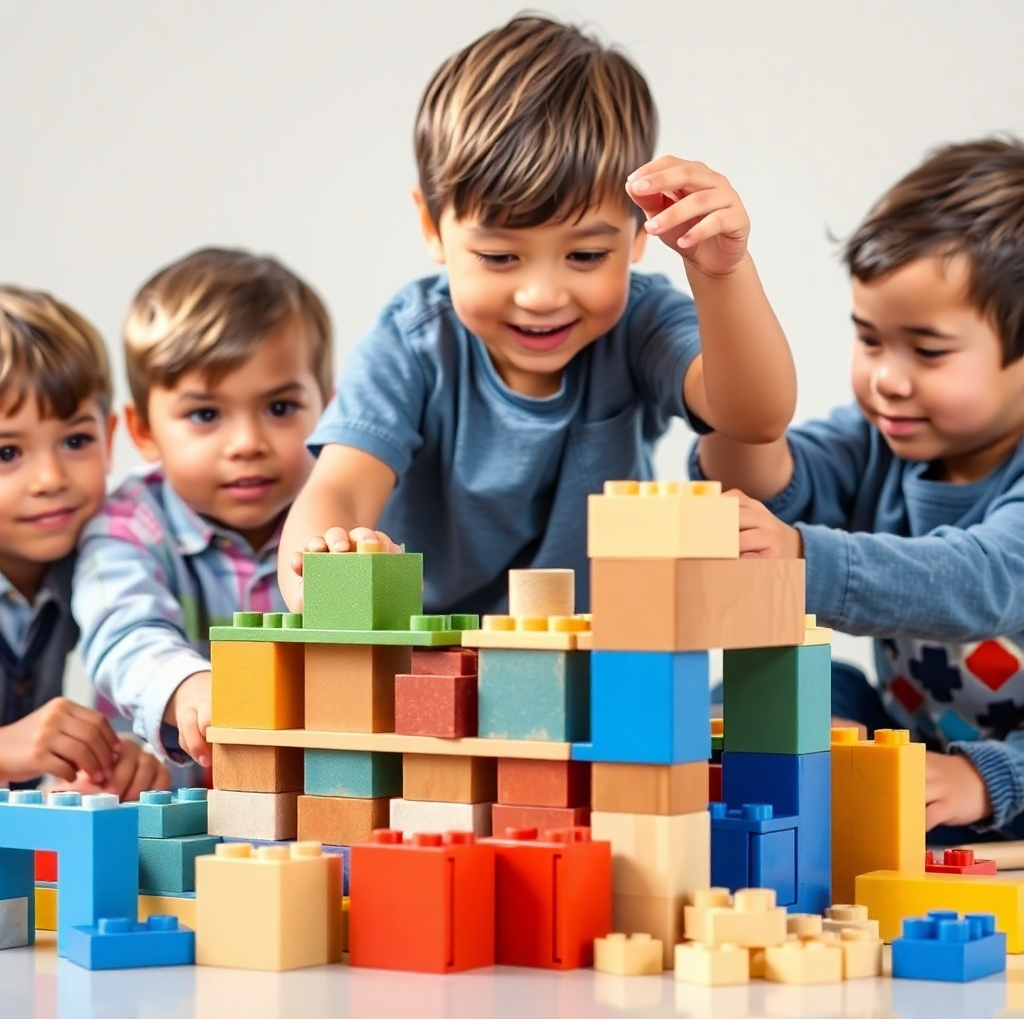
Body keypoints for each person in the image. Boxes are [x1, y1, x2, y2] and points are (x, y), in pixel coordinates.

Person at [279, 14, 796, 619]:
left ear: (638, 235)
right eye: (499, 256)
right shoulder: (413, 343)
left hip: (590, 658)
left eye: (585, 255)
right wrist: (327, 566)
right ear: (431, 227)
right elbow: (338, 487)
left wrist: (720, 275)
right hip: (433, 664)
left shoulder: (641, 323)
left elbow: (755, 416)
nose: (542, 295)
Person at [694, 138, 1024, 839]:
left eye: (928, 351)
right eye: (871, 340)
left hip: (1003, 763)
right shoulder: (880, 436)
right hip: (917, 735)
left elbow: (981, 578)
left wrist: (986, 776)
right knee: (767, 691)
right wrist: (721, 291)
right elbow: (769, 472)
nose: (888, 379)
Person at [74, 249, 332, 769]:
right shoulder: (128, 525)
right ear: (144, 429)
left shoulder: (332, 517)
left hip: (304, 803)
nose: (246, 442)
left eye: (280, 408)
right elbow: (121, 628)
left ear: (328, 410)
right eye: (205, 414)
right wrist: (188, 685)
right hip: (158, 803)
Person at [0, 286, 169, 798]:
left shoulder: (98, 560)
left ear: (110, 435)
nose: (50, 478)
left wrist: (111, 762)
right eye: (7, 452)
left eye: (76, 441)